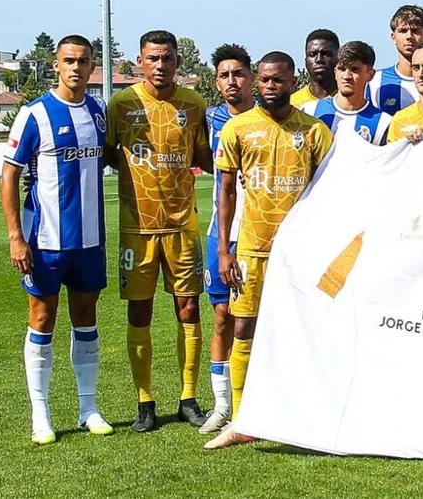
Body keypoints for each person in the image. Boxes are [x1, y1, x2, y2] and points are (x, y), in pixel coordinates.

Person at [204, 51, 334, 449]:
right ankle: (243, 418)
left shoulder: (314, 132)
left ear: (293, 81)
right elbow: (225, 191)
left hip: (298, 251)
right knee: (243, 327)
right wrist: (226, 252)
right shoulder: (238, 129)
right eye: (264, 80)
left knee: (303, 328)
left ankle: (305, 415)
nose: (270, 86)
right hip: (251, 248)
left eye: (278, 80)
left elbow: (331, 191)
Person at [0, 35, 113, 444]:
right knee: (42, 319)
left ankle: (88, 408)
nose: (76, 68)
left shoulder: (99, 111)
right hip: (45, 241)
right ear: (55, 64)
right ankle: (41, 413)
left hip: (89, 240)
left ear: (92, 65)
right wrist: (16, 236)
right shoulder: (35, 115)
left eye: (83, 61)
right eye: (69, 61)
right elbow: (10, 173)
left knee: (87, 319)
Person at [106, 30, 214, 432]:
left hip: (183, 225)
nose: (160, 65)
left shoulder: (194, 104)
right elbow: (110, 155)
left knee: (188, 308)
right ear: (140, 60)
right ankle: (144, 401)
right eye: (153, 58)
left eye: (167, 58)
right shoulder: (122, 103)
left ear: (177, 63)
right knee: (140, 309)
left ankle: (188, 397)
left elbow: (202, 155)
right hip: (137, 227)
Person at [198, 44, 254, 434]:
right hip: (223, 232)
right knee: (222, 317)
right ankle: (222, 406)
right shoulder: (209, 118)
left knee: (255, 321)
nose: (231, 81)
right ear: (216, 81)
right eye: (224, 75)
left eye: (238, 74)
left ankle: (255, 402)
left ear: (250, 77)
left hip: (263, 232)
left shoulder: (272, 117)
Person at [304, 41, 392, 145]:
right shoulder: (310, 111)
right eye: (342, 69)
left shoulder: (383, 123)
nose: (346, 76)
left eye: (355, 70)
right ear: (335, 72)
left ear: (370, 75)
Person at [289, 29, 340, 107]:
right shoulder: (292, 105)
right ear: (306, 61)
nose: (319, 59)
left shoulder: (355, 101)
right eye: (312, 54)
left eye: (325, 54)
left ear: (338, 59)